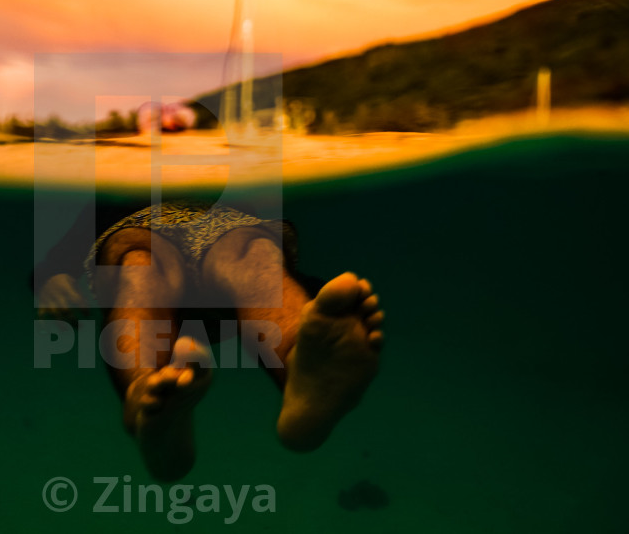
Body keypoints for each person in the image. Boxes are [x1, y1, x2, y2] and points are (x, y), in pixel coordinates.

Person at [33, 199, 384, 481]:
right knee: (143, 266)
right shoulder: (115, 187)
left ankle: (302, 367)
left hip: (224, 240)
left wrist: (316, 307)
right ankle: (147, 394)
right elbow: (75, 237)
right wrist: (51, 276)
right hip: (142, 233)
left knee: (255, 256)